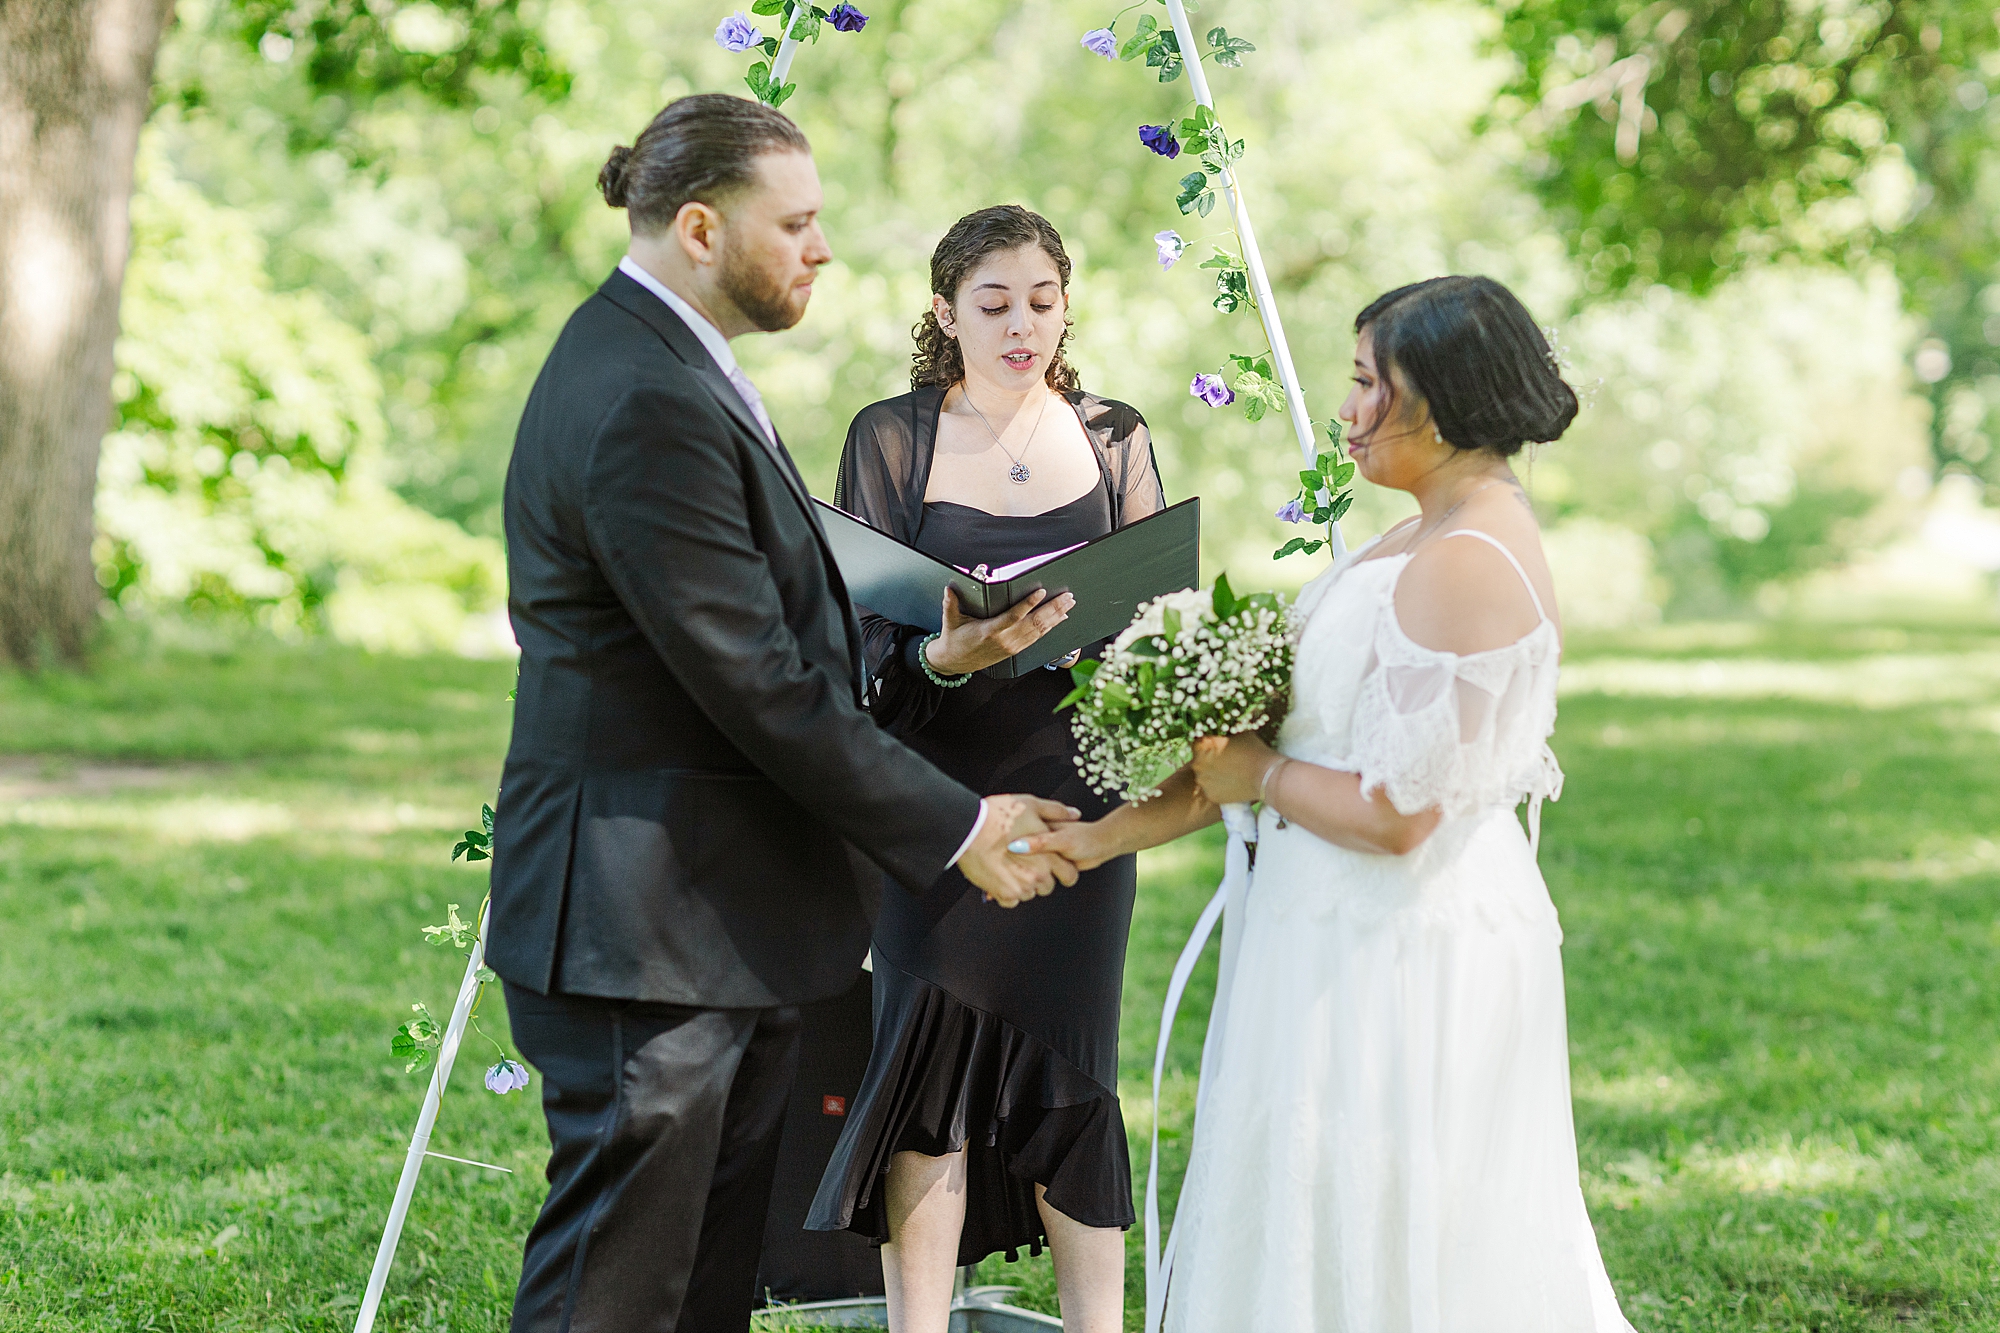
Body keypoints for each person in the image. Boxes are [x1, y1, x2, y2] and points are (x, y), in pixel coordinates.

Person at [486, 97, 1080, 1333]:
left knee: (700, 1292)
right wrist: (960, 823)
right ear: (700, 227)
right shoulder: (639, 391)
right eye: (796, 223)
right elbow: (752, 681)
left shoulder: (675, 363)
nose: (820, 249)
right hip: (642, 933)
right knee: (616, 1292)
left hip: (719, 922)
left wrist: (942, 646)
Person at [1021, 276, 1638, 1330]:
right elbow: (1292, 745)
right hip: (1322, 928)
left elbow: (1400, 816)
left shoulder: (1470, 558)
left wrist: (1256, 777)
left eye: (1365, 384)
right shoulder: (1414, 534)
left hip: (1400, 951)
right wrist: (1098, 835)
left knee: (1390, 1219)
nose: (1345, 410)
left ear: (1435, 402)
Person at [804, 205, 1166, 1333]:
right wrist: (945, 652)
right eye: (993, 304)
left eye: (1042, 302)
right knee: (923, 1075)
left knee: (1072, 1071)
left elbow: (1152, 617)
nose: (1021, 327)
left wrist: (1128, 630)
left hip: (1077, 798)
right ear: (944, 312)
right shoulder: (891, 437)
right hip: (935, 801)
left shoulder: (1115, 436)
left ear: (1067, 303)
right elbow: (858, 645)